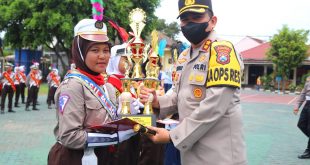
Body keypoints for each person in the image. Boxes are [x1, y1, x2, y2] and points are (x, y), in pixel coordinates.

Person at [139, 0, 247, 164]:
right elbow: (179, 96)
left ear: (213, 21)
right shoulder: (183, 57)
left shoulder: (222, 52)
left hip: (218, 156)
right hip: (190, 153)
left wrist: (172, 136)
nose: (189, 24)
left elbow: (215, 105)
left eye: (196, 17)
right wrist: (156, 102)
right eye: (184, 19)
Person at [47, 18, 137, 165]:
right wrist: (114, 137)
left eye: (106, 50)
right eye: (95, 50)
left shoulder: (107, 86)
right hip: (75, 159)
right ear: (80, 52)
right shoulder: (73, 86)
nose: (102, 56)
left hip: (102, 157)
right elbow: (69, 136)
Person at [293, 76, 310, 159]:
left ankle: (308, 151)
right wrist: (297, 106)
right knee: (301, 124)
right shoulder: (308, 81)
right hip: (307, 105)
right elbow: (303, 94)